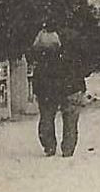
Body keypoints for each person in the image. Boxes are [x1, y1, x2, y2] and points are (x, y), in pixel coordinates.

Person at [26, 21, 82, 157]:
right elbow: (84, 59)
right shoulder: (73, 38)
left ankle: (49, 146)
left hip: (46, 86)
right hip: (71, 84)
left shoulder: (39, 41)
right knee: (70, 118)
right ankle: (68, 148)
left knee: (46, 117)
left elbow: (31, 58)